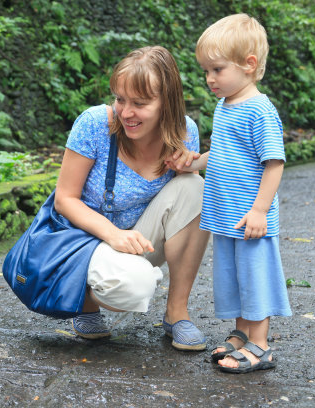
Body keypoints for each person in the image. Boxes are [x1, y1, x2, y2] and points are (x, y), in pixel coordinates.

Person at [54, 46, 210, 351]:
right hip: (86, 245)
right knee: (134, 287)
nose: (126, 112)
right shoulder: (95, 124)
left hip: (139, 244)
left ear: (167, 103)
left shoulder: (184, 130)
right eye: (120, 99)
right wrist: (115, 235)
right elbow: (64, 199)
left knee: (195, 187)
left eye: (140, 103)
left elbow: (185, 210)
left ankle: (177, 312)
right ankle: (85, 300)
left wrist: (189, 165)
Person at [166, 14, 292, 372]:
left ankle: (261, 344)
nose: (209, 79)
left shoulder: (259, 111)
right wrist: (192, 164)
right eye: (206, 70)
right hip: (224, 216)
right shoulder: (225, 106)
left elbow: (274, 163)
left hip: (251, 217)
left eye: (217, 69)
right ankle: (240, 333)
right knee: (232, 279)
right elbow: (222, 153)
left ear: (249, 65)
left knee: (255, 279)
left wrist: (259, 211)